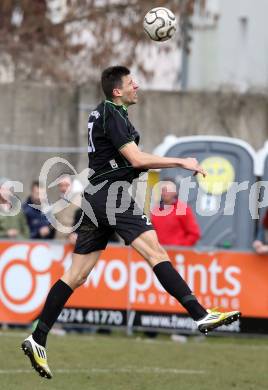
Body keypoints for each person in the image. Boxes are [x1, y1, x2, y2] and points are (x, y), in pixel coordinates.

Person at [21, 66, 241, 379]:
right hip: (113, 196)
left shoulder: (106, 113)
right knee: (156, 254)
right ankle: (200, 315)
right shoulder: (112, 114)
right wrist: (181, 161)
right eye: (130, 82)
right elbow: (137, 160)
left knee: (76, 274)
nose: (136, 85)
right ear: (117, 91)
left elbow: (128, 156)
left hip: (97, 197)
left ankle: (38, 336)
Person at [151, 180, 201, 246]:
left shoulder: (182, 209)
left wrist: (180, 248)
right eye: (163, 190)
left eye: (168, 190)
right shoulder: (155, 211)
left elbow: (194, 234)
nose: (165, 193)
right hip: (159, 253)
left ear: (175, 192)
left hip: (178, 253)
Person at [53, 174, 81, 242]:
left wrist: (78, 234)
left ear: (72, 185)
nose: (63, 188)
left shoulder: (80, 202)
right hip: (58, 243)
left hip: (74, 244)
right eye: (61, 185)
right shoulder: (57, 203)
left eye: (66, 185)